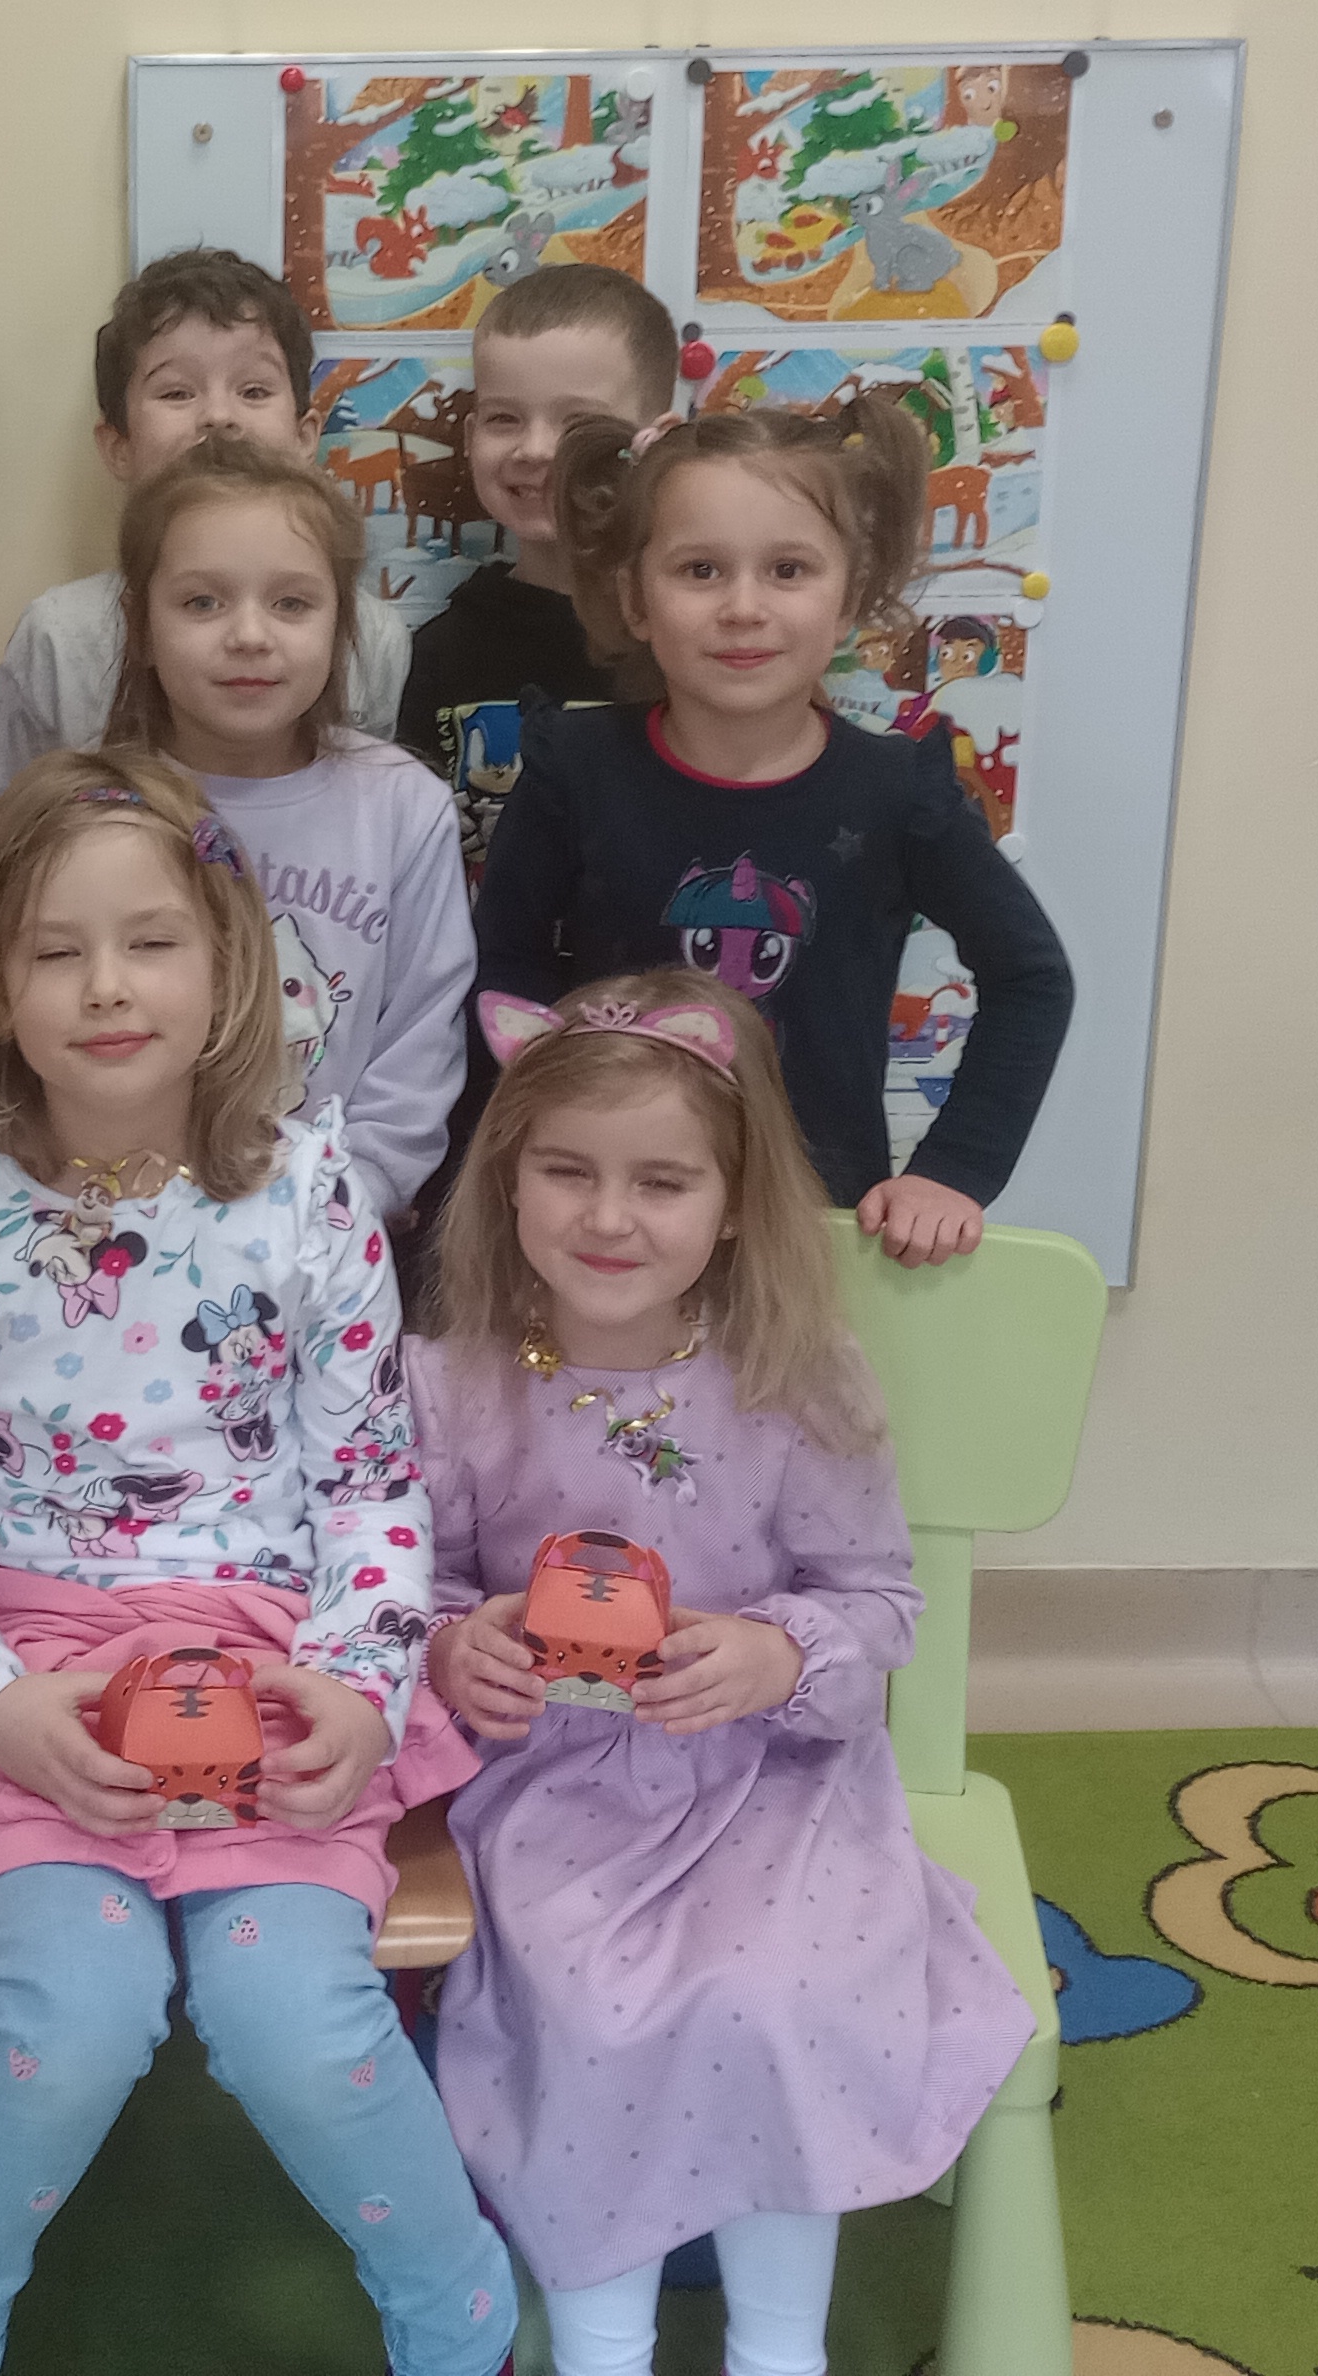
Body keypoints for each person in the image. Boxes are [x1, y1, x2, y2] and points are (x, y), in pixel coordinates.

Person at [0, 751, 513, 2376]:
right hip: (31, 1680)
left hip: (267, 1670)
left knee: (297, 2025)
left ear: (225, 967)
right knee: (69, 2020)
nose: (106, 986)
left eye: (149, 941)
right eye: (55, 950)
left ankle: (461, 2325)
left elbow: (369, 1490)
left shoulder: (312, 1198)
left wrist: (360, 1687)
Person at [409, 971, 1029, 2376]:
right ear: (508, 1179)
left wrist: (772, 1653)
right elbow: (402, 1592)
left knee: (782, 1990)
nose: (609, 1217)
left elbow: (878, 1599)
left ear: (735, 1199)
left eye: (662, 1181)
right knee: (584, 2005)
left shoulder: (797, 1381)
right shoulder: (451, 1385)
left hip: (771, 1785)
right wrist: (453, 1645)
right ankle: (603, 2349)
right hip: (552, 1795)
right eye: (567, 1171)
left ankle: (777, 2351)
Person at [475, 398, 1072, 1264]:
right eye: (701, 570)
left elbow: (1031, 978)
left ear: (849, 598)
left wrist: (954, 1171)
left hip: (811, 1238)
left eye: (788, 570)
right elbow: (502, 965)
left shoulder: (897, 792)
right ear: (635, 597)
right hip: (604, 1231)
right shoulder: (576, 768)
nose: (743, 607)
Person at [103, 433, 471, 1223]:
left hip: (329, 1234)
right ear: (139, 625)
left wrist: (351, 1202)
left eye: (292, 603)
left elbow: (420, 1040)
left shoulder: (403, 808)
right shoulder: (82, 809)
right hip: (113, 1228)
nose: (249, 634)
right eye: (202, 602)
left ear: (342, 623)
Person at [0, 249, 408, 807]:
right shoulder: (58, 636)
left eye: (254, 390)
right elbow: (3, 831)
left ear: (304, 437)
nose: (218, 416)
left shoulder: (374, 637)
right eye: (176, 392)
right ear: (119, 447)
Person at [391, 265, 682, 885]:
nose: (536, 450)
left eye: (578, 423)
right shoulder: (438, 653)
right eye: (505, 418)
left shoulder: (691, 636)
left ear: (657, 438)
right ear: (471, 436)